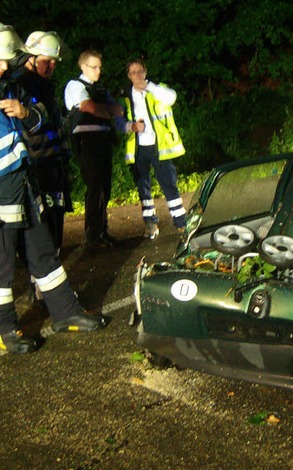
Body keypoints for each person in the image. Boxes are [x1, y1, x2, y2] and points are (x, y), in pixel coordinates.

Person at [0, 24, 105, 355]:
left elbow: (33, 122)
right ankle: (5, 330)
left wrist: (26, 112)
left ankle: (65, 313)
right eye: (1, 60)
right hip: (3, 186)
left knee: (43, 247)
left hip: (22, 181)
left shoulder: (8, 86)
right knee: (1, 261)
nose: (6, 66)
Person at [15, 31, 71, 251]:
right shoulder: (22, 87)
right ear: (31, 58)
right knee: (42, 227)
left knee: (55, 219)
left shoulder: (45, 87)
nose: (51, 67)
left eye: (54, 63)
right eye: (46, 61)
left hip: (52, 165)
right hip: (35, 166)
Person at [64, 50, 123, 250]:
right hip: (87, 143)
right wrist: (105, 111)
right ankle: (92, 237)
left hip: (103, 141)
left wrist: (105, 110)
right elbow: (90, 108)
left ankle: (101, 231)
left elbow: (118, 110)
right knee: (95, 188)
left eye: (100, 66)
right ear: (83, 67)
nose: (99, 70)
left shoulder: (98, 89)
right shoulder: (75, 86)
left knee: (104, 188)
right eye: (94, 67)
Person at [121, 58, 186, 240]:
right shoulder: (125, 96)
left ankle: (181, 223)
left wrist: (149, 86)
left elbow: (171, 98)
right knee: (143, 188)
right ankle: (150, 223)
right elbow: (118, 122)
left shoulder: (157, 90)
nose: (137, 75)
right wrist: (131, 126)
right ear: (128, 76)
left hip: (160, 147)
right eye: (133, 73)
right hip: (139, 148)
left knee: (169, 184)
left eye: (140, 71)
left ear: (145, 72)